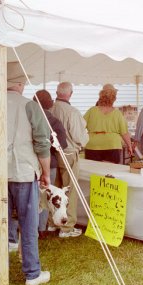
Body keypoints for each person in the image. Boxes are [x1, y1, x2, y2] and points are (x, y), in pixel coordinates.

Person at [0, 61, 51, 285]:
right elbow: (42, 144)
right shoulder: (29, 105)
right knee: (29, 222)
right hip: (23, 172)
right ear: (18, 83)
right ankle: (32, 273)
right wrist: (45, 173)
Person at [49, 82, 89, 238]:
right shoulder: (72, 112)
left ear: (57, 92)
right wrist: (87, 137)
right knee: (69, 190)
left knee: (54, 188)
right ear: (70, 93)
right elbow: (80, 137)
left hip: (52, 153)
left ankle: (53, 222)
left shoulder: (50, 109)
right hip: (68, 153)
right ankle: (67, 227)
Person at [33, 89, 68, 239]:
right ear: (50, 104)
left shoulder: (29, 118)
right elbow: (62, 144)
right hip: (50, 162)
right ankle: (41, 229)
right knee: (48, 196)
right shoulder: (53, 121)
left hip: (31, 162)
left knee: (33, 196)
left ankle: (30, 227)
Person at [84, 83, 133, 164]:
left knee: (93, 173)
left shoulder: (92, 110)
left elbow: (80, 126)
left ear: (100, 97)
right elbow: (124, 133)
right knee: (110, 173)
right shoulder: (117, 113)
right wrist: (129, 146)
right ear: (114, 98)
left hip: (93, 145)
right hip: (112, 145)